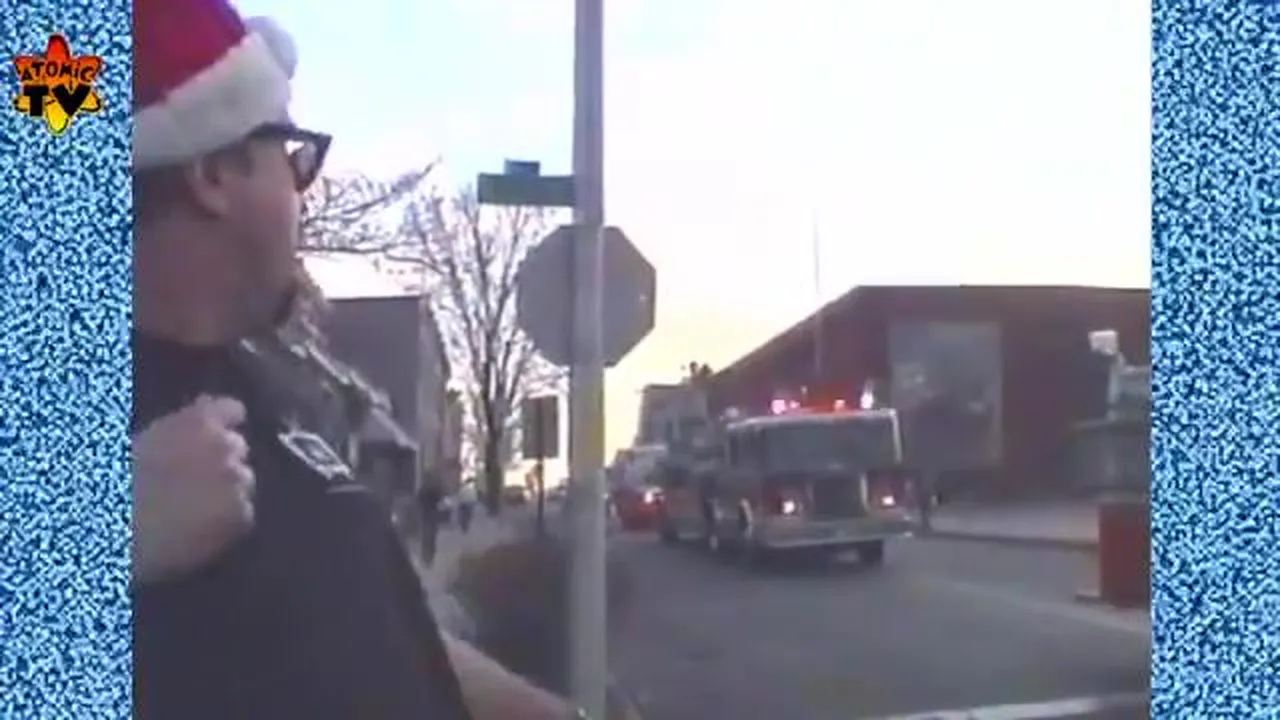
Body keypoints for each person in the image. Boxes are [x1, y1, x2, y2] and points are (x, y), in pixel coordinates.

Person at [130, 1, 578, 718]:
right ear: (213, 172)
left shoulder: (268, 386)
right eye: (291, 158)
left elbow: (369, 623)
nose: (301, 194)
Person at [418, 479, 444, 565]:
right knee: (432, 537)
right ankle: (430, 557)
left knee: (426, 537)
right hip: (432, 516)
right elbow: (439, 500)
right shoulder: (434, 490)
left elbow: (419, 500)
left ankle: (426, 557)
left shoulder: (423, 490)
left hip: (425, 516)